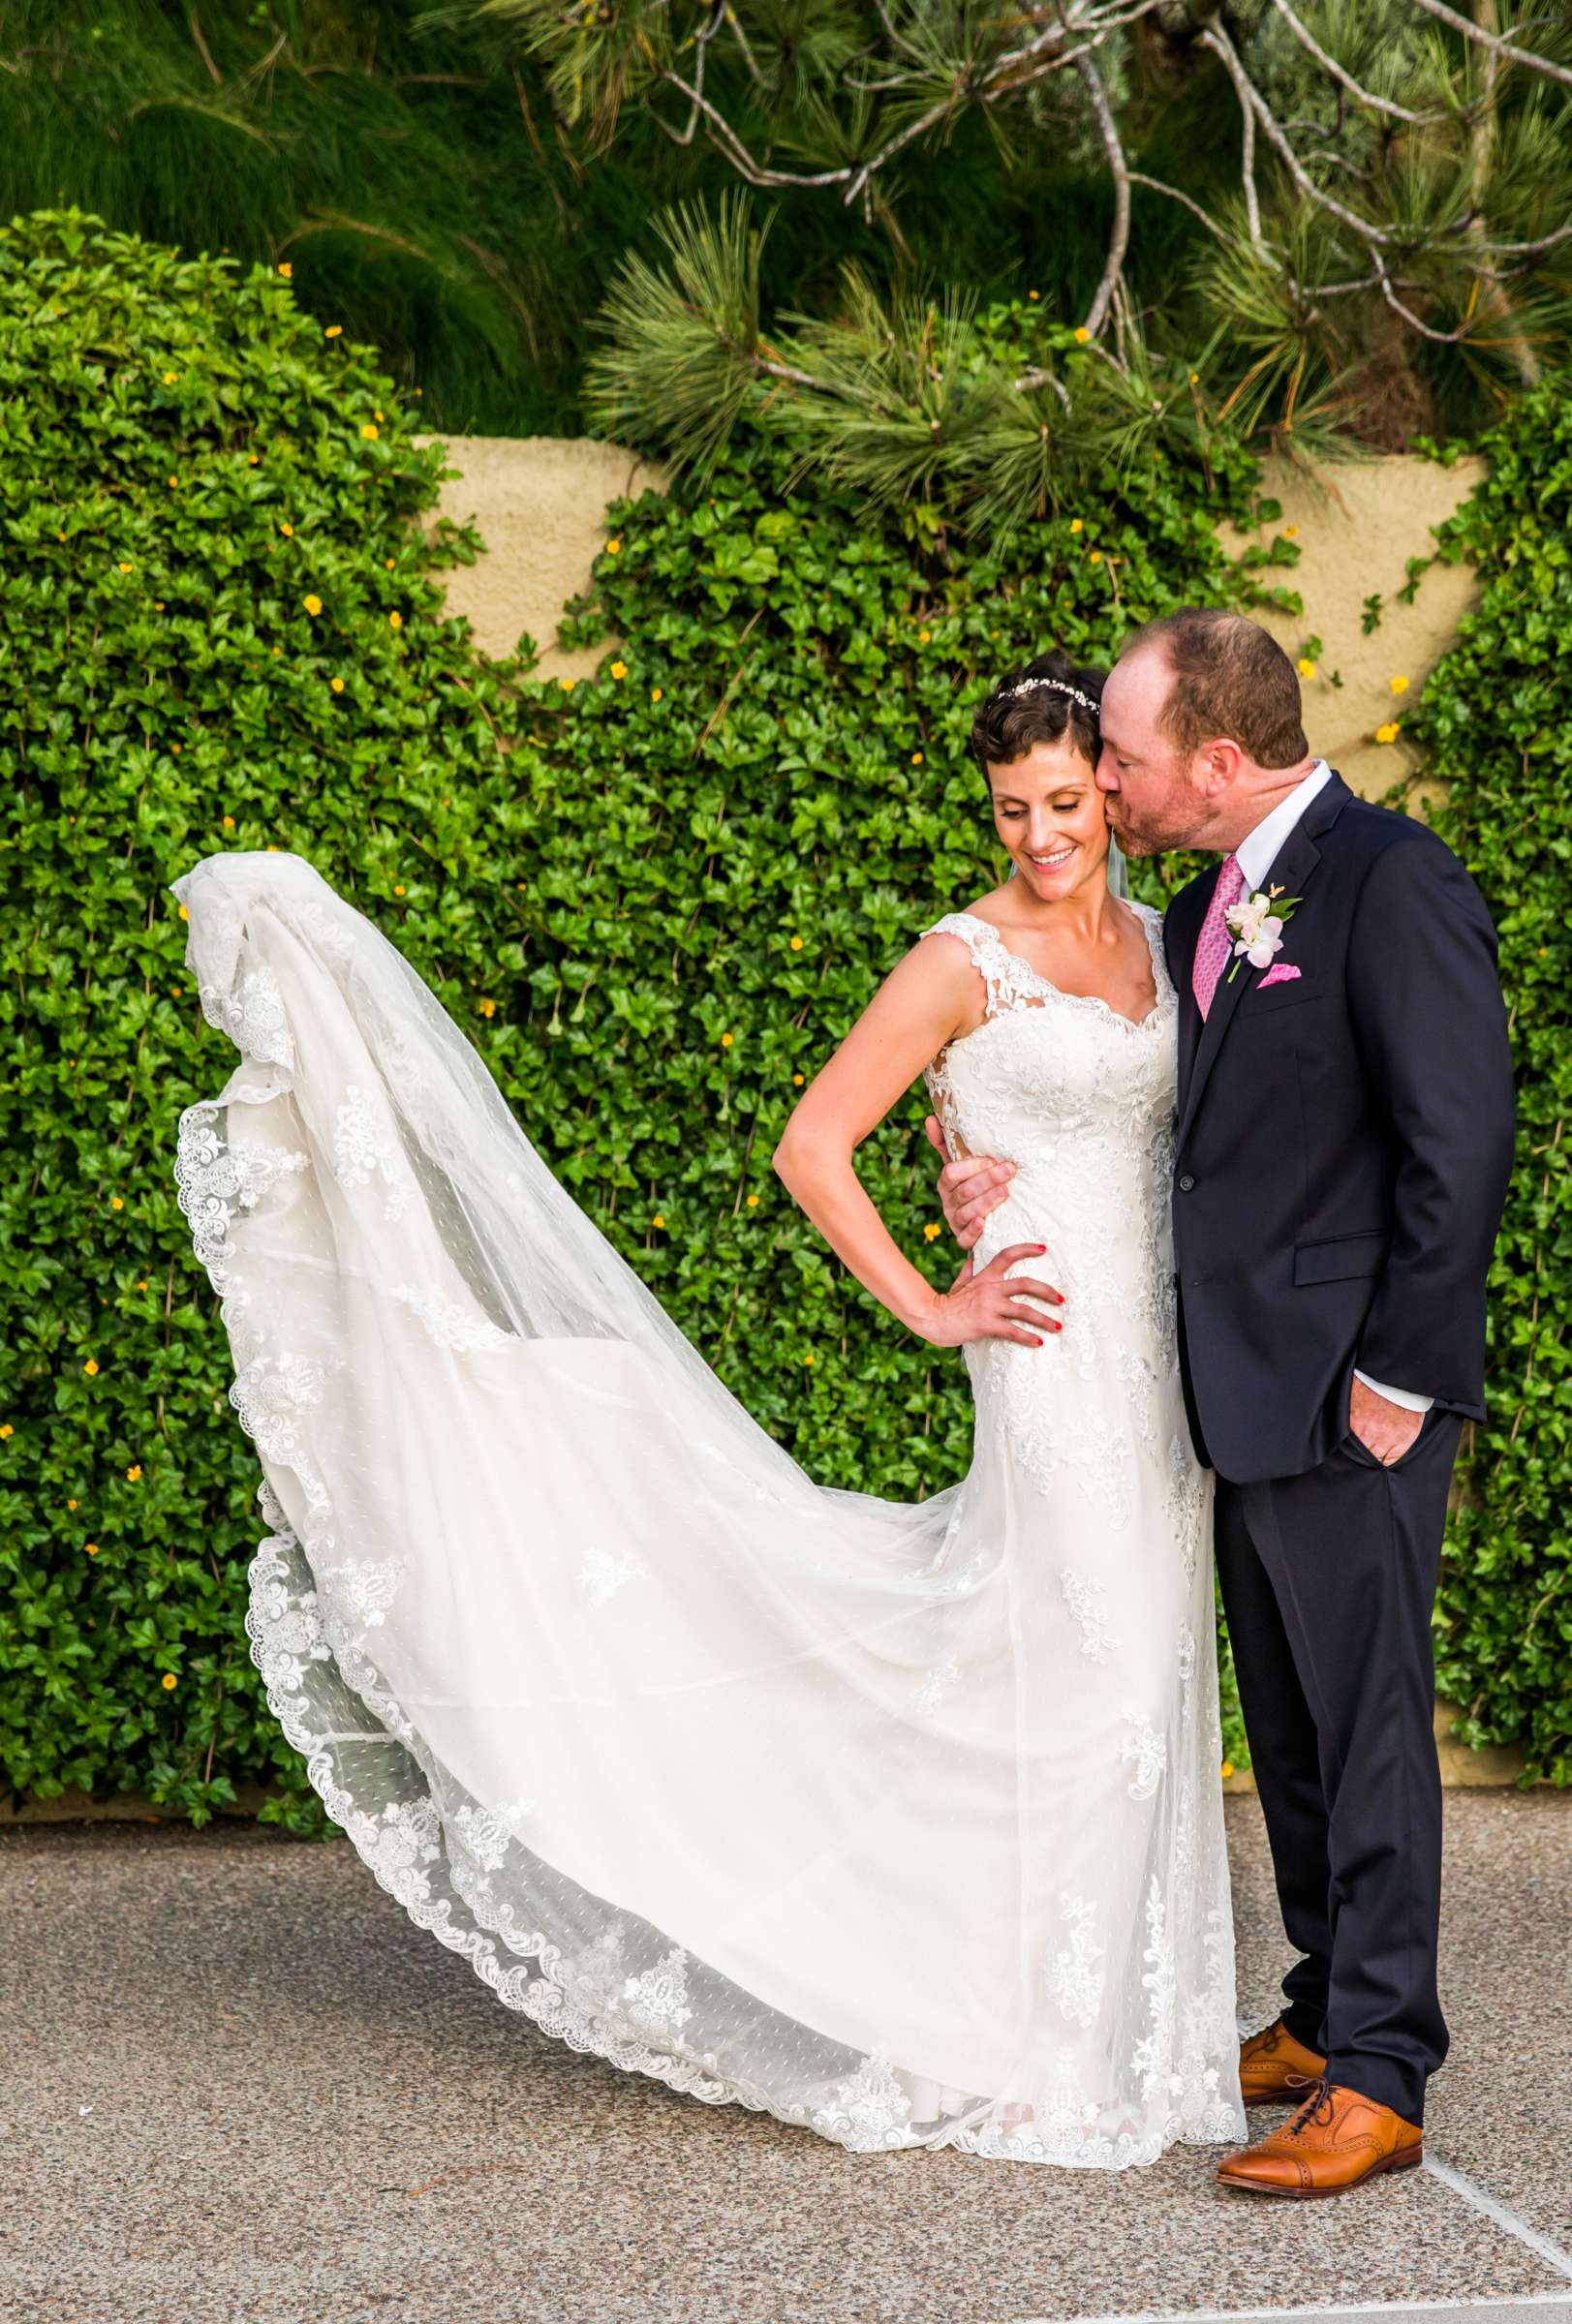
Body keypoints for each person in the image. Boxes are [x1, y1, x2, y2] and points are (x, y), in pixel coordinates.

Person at [170, 647, 1244, 2171]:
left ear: (1116, 790)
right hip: (1053, 1356)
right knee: (1087, 1687)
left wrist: (970, 1152)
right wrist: (938, 1304)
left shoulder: (1165, 935)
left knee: (1130, 1689)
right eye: (1009, 809)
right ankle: (1027, 2050)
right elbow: (814, 1146)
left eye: (1064, 800)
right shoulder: (961, 958)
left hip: (1169, 1362)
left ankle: (1100, 2025)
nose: (1038, 835)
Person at [930, 610, 1515, 2197]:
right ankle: (1324, 2014)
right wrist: (965, 1157)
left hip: (1354, 1400)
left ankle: (1383, 2074)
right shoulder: (1200, 902)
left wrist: (1398, 1377)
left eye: (1117, 760)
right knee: (1300, 1733)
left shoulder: (1395, 882)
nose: (1102, 787)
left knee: (1375, 1726)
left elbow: (1461, 1144)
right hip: (1220, 1396)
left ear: (1218, 760)